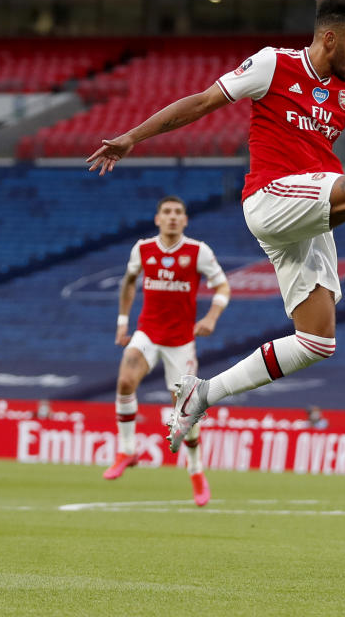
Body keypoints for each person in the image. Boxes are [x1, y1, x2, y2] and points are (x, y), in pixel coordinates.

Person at [86, 0, 345, 453]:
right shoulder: (273, 65)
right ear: (330, 37)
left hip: (308, 215)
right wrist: (131, 137)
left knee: (316, 342)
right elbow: (200, 103)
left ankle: (203, 393)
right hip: (269, 197)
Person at [102, 195, 230, 508]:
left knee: (184, 414)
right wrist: (122, 323)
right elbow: (129, 282)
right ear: (157, 218)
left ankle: (196, 471)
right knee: (124, 381)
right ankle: (127, 450)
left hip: (181, 342)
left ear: (185, 220)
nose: (172, 217)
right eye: (167, 212)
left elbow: (223, 286)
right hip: (147, 332)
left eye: (178, 213)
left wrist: (211, 318)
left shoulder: (198, 251)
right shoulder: (143, 249)